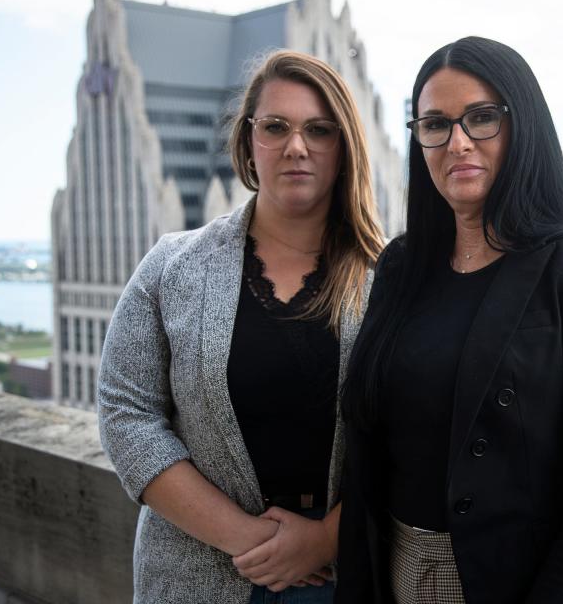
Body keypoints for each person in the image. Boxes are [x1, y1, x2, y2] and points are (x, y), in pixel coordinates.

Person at [336, 36, 563, 604]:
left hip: (524, 587)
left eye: (481, 118)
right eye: (434, 125)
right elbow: (368, 453)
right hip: (400, 576)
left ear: (521, 124)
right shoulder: (401, 268)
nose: (457, 142)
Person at [98, 50, 384, 604]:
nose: (296, 146)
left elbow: (416, 431)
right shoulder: (171, 266)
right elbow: (125, 411)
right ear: (249, 139)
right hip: (194, 573)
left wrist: (326, 538)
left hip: (344, 577)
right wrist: (249, 540)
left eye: (319, 130)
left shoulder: (390, 280)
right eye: (275, 126)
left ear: (344, 146)